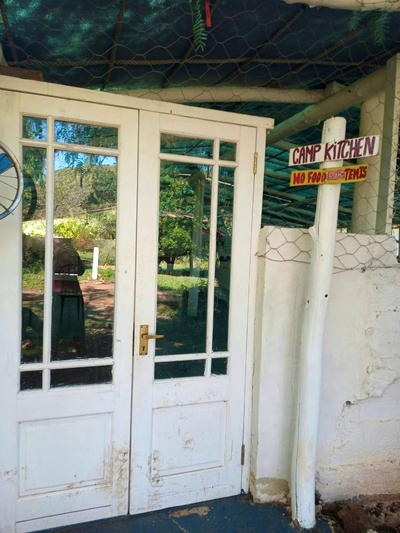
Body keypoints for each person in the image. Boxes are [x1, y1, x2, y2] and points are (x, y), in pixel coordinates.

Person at [52, 237, 86, 358]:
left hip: (73, 292)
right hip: (58, 292)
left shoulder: (71, 252)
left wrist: (74, 254)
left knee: (77, 325)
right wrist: (56, 255)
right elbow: (50, 270)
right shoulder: (51, 252)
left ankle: (82, 356)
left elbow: (81, 270)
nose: (61, 242)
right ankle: (52, 355)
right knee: (55, 324)